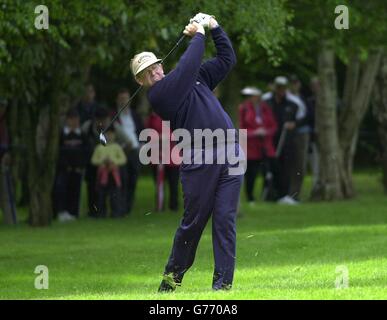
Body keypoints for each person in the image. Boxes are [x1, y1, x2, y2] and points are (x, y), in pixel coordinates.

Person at [131, 13, 243, 291]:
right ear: (141, 81)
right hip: (200, 158)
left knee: (225, 220)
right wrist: (200, 34)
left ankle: (223, 286)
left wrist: (215, 28)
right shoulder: (160, 95)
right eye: (148, 73)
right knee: (193, 224)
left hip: (230, 152)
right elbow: (188, 64)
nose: (156, 72)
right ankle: (171, 280)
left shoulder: (197, 78)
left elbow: (227, 60)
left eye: (156, 66)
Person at [263, 76, 299, 204]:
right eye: (279, 88)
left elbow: (296, 121)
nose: (281, 91)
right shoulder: (267, 103)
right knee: (270, 167)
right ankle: (270, 194)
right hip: (270, 139)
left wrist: (292, 124)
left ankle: (284, 194)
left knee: (285, 167)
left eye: (283, 88)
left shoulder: (292, 105)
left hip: (285, 141)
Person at [238, 87, 277, 203]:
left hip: (265, 146)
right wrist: (254, 133)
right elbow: (240, 128)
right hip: (250, 147)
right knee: (251, 173)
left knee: (268, 171)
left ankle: (267, 195)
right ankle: (250, 197)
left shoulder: (265, 109)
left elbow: (273, 126)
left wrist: (266, 132)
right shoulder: (243, 108)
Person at [113, 88, 144, 215]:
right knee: (122, 180)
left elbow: (142, 132)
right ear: (117, 100)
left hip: (135, 152)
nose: (124, 101)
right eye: (121, 99)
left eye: (126, 98)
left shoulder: (134, 115)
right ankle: (120, 207)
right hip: (121, 151)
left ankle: (128, 207)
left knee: (132, 179)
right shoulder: (114, 116)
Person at [53, 108, 88, 221]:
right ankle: (61, 211)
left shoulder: (81, 134)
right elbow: (58, 151)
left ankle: (72, 212)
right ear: (67, 120)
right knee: (61, 189)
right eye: (72, 119)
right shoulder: (61, 134)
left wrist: (81, 165)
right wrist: (64, 165)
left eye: (76, 119)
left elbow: (86, 150)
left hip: (77, 169)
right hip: (64, 169)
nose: (75, 122)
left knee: (75, 191)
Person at [145, 111, 181, 212]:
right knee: (159, 183)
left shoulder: (173, 114)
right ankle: (159, 206)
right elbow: (147, 134)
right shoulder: (152, 117)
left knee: (173, 183)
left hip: (172, 155)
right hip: (158, 155)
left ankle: (173, 206)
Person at [82, 107, 112, 217]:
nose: (103, 122)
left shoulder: (114, 127)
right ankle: (93, 211)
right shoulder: (86, 127)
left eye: (105, 120)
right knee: (92, 188)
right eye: (101, 120)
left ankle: (109, 211)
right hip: (92, 163)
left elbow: (128, 142)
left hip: (109, 165)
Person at [91, 127, 127, 218]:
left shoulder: (117, 147)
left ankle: (116, 212)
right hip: (102, 176)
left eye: (111, 134)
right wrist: (103, 161)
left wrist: (113, 162)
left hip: (113, 176)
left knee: (115, 195)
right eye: (107, 134)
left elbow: (123, 159)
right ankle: (101, 213)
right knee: (101, 195)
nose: (109, 136)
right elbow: (94, 160)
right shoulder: (99, 147)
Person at [0, 97, 17, 224]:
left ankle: (10, 220)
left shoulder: (4, 122)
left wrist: (6, 153)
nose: (2, 109)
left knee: (6, 193)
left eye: (4, 106)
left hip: (3, 161)